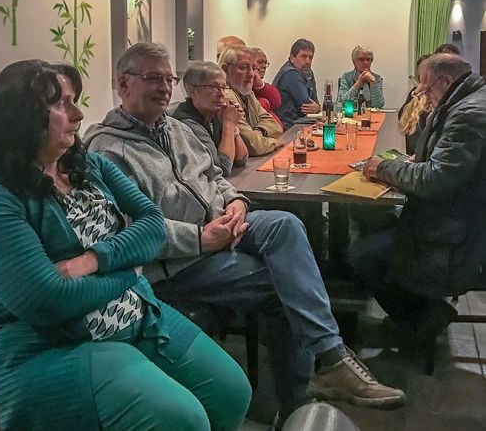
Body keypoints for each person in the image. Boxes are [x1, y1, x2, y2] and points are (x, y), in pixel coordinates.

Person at [84, 42, 406, 427]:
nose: (165, 87)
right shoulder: (107, 150)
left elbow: (215, 174)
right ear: (124, 84)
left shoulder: (176, 129)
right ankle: (301, 395)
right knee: (286, 283)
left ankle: (329, 360)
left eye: (168, 78)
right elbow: (127, 231)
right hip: (179, 263)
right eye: (154, 78)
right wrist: (201, 238)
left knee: (287, 224)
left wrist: (235, 200)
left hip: (225, 227)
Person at [0, 59, 251, 431]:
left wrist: (96, 259)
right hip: (50, 346)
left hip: (137, 313)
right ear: (23, 117)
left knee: (232, 392)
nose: (78, 114)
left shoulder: (87, 166)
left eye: (75, 101)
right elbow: (47, 301)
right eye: (61, 104)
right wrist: (129, 272)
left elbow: (152, 225)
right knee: (182, 418)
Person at [353, 53, 486, 341]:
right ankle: (418, 310)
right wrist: (418, 159)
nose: (422, 94)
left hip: (456, 240)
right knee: (372, 220)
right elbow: (450, 165)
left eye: (426, 87)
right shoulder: (467, 100)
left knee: (361, 255)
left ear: (446, 81)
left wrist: (384, 168)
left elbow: (435, 180)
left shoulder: (469, 113)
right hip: (458, 220)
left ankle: (422, 319)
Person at [172, 60, 248, 176]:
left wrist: (233, 129)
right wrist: (229, 123)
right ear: (192, 91)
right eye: (214, 87)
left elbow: (242, 159)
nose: (221, 94)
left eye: (223, 87)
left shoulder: (212, 114)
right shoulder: (187, 123)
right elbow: (222, 168)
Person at [219, 44, 283, 156]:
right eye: (244, 67)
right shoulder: (226, 98)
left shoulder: (247, 93)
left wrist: (259, 131)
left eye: (254, 68)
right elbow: (254, 146)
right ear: (225, 70)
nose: (251, 74)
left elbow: (275, 125)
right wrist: (275, 142)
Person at [272, 38, 320, 129]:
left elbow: (315, 102)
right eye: (303, 56)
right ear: (292, 58)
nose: (308, 61)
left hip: (298, 122)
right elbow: (306, 105)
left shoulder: (308, 72)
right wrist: (317, 108)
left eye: (310, 57)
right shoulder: (290, 73)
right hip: (286, 126)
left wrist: (317, 108)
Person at [398, 54, 432, 155]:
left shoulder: (437, 94)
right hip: (412, 149)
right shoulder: (416, 91)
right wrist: (417, 92)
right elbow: (401, 116)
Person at [252, 47, 283, 127]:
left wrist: (260, 85)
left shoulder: (260, 85)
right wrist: (265, 103)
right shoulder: (243, 87)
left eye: (265, 63)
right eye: (259, 62)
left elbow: (277, 102)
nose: (264, 66)